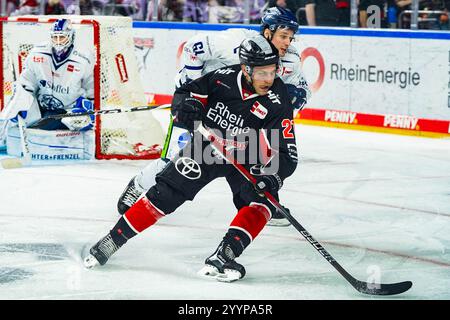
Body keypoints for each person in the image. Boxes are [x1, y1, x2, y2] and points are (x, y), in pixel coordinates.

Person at [84, 34, 298, 282]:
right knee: (165, 194)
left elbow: (286, 152)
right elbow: (186, 94)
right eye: (261, 73)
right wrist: (185, 108)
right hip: (209, 146)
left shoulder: (278, 99)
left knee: (263, 202)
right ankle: (112, 240)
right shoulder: (222, 79)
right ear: (245, 69)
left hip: (248, 154)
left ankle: (225, 254)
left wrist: (272, 177)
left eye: (272, 72)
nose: (268, 79)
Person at [117, 6, 310, 227]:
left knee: (253, 161)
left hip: (234, 116)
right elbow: (192, 48)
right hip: (198, 106)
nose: (288, 42)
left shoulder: (290, 60)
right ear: (267, 32)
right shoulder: (236, 41)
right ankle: (139, 185)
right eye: (283, 36)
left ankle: (260, 202)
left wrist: (297, 98)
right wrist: (193, 91)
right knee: (175, 159)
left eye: (291, 37)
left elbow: (303, 89)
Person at [0, 19, 95, 160]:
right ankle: (2, 139)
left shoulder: (83, 59)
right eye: (54, 37)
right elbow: (26, 83)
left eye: (62, 37)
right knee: (17, 100)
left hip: (67, 112)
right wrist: (19, 104)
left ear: (71, 36)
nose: (58, 41)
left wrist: (86, 108)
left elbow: (91, 91)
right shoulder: (37, 54)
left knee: (78, 122)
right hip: (41, 108)